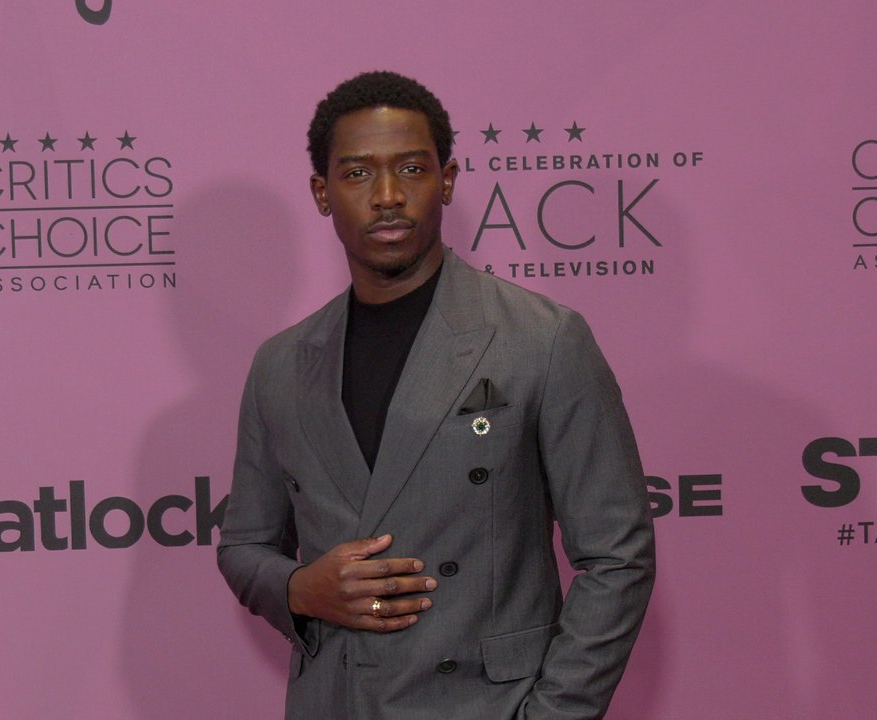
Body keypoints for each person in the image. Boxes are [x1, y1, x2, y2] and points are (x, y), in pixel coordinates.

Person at [217, 70, 654, 720]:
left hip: (488, 704)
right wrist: (301, 588)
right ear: (322, 191)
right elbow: (243, 545)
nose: (388, 196)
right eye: (359, 173)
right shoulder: (281, 364)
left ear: (445, 180)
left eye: (412, 169)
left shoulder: (542, 339)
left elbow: (618, 558)